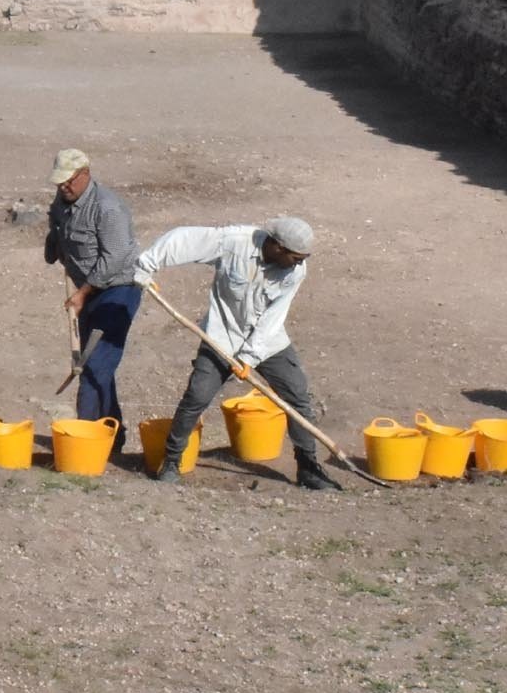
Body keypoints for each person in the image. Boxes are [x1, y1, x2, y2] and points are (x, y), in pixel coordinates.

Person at [134, 216, 338, 491]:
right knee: (196, 396)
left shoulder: (296, 272)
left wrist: (249, 358)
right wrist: (147, 266)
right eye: (296, 257)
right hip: (222, 336)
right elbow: (183, 238)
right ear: (277, 247)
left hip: (268, 341)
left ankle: (308, 467)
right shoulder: (234, 242)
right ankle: (171, 460)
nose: (300, 264)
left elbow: (273, 318)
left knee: (298, 397)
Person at [44, 148, 139, 428]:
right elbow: (57, 230)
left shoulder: (107, 207)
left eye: (70, 180)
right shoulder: (62, 200)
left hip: (118, 291)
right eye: (60, 181)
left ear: (85, 174)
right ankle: (112, 435)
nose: (64, 186)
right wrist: (53, 246)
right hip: (88, 291)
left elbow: (115, 256)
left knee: (91, 366)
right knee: (100, 368)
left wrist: (82, 294)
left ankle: (84, 437)